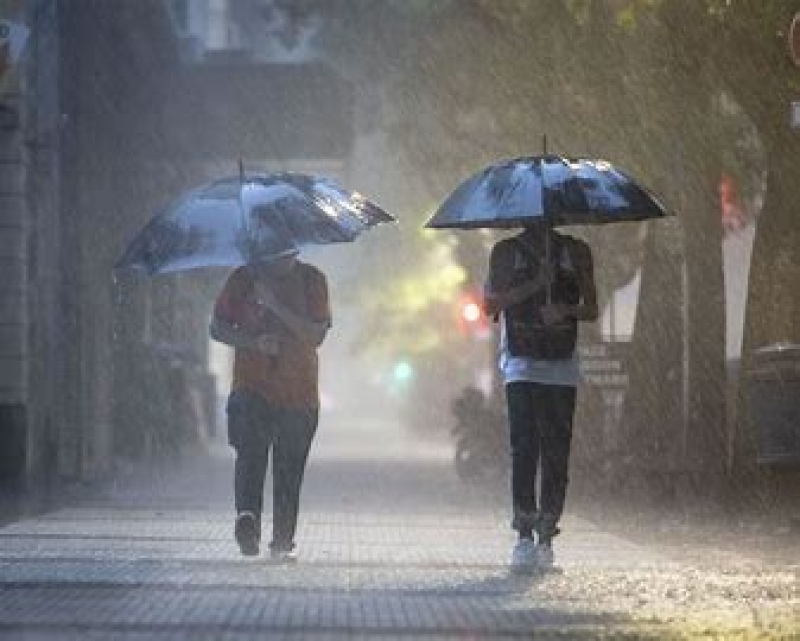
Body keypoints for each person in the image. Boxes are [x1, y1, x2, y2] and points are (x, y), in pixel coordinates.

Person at [483, 224, 597, 571]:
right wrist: (534, 284)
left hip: (561, 366)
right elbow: (491, 304)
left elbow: (591, 308)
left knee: (556, 450)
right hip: (521, 363)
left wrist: (564, 310)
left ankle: (547, 533)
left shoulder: (576, 250)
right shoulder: (505, 252)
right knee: (524, 447)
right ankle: (523, 534)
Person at [210, 251, 331, 563]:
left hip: (299, 394)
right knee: (250, 455)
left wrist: (275, 304)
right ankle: (247, 518)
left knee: (289, 470)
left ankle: (282, 540)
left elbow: (316, 334)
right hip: (252, 387)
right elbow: (218, 328)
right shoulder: (243, 279)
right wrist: (253, 342)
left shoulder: (312, 281)